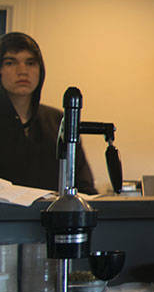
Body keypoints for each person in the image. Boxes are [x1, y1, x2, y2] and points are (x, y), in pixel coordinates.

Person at [1, 31, 97, 194]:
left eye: (30, 63)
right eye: (11, 63)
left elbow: (83, 184)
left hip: (54, 215)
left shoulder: (58, 120)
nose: (22, 71)